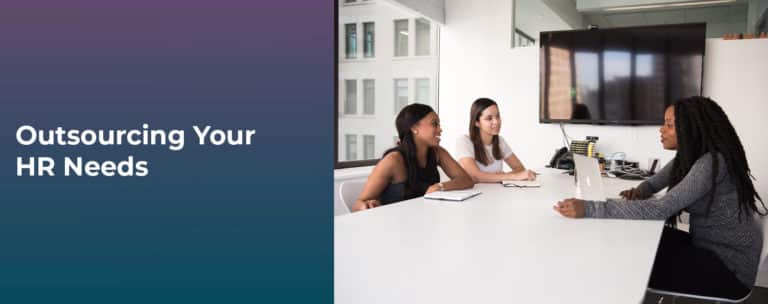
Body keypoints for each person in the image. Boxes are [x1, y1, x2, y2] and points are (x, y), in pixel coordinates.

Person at [554, 96, 766, 300]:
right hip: (710, 247)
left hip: (729, 270)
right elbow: (655, 183)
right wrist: (640, 190)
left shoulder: (710, 163)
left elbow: (661, 208)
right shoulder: (690, 157)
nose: (661, 129)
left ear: (691, 129)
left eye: (669, 125)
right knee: (636, 239)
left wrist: (591, 208)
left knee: (629, 258)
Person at [352, 104, 474, 212]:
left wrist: (440, 187)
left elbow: (466, 180)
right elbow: (357, 205)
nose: (440, 129)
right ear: (414, 128)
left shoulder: (437, 152)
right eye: (434, 124)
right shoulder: (393, 160)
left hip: (423, 220)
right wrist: (365, 206)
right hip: (394, 226)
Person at [456, 98, 536, 183]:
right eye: (489, 118)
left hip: (496, 193)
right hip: (475, 194)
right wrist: (508, 176)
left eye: (497, 116)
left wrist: (502, 176)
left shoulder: (500, 141)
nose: (496, 122)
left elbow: (519, 168)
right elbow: (475, 176)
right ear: (477, 122)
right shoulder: (464, 141)